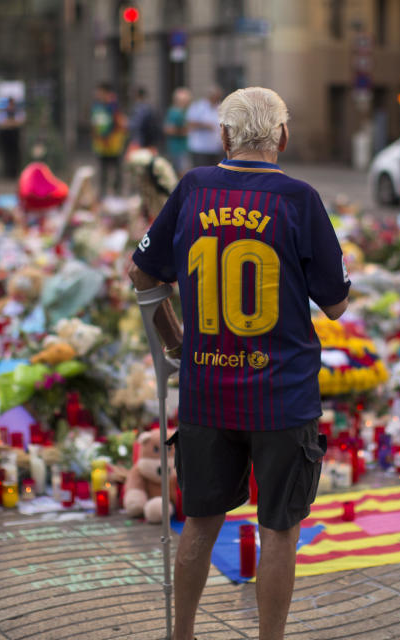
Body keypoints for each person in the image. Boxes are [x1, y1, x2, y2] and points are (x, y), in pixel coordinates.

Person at [129, 87, 349, 640]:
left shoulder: (194, 188)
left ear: (222, 137)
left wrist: (176, 345)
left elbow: (143, 275)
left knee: (201, 521)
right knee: (279, 529)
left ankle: (182, 635)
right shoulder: (299, 199)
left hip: (208, 391)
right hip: (283, 394)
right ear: (283, 137)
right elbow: (337, 304)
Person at [91, 82, 127, 196]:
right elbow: (95, 124)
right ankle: (103, 193)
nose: (97, 94)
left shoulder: (113, 106)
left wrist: (108, 136)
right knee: (103, 171)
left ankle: (117, 193)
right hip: (101, 145)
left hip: (113, 144)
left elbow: (118, 123)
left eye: (100, 92)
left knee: (116, 170)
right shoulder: (96, 106)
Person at [186, 86, 224, 167]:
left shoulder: (221, 107)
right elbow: (189, 123)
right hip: (200, 148)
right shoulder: (198, 106)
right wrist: (204, 125)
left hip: (216, 148)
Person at [163, 87, 192, 174]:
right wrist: (184, 132)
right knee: (182, 173)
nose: (188, 102)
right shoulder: (174, 112)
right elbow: (168, 129)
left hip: (184, 148)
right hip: (177, 149)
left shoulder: (184, 111)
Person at [0, 97, 25, 179]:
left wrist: (9, 123)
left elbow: (19, 122)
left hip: (15, 136)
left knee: (15, 156)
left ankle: (15, 173)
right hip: (6, 136)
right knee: (6, 155)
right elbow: (2, 123)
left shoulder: (18, 112)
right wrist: (12, 123)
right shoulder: (3, 112)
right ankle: (7, 173)